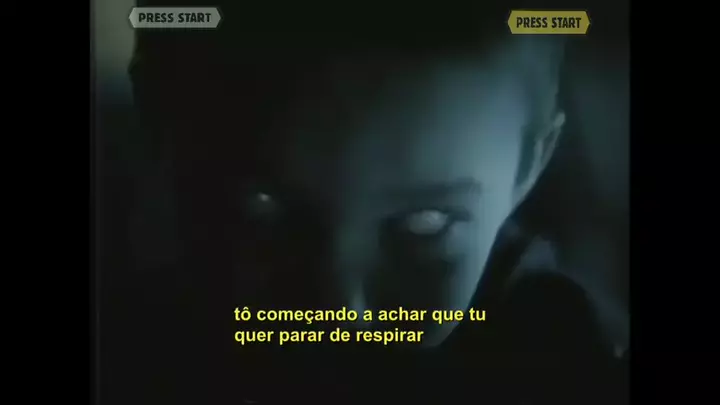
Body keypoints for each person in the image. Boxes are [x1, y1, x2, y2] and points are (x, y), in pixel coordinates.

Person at [121, 3, 628, 404]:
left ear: (528, 169)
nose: (338, 311)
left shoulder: (561, 364)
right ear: (156, 127)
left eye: (426, 224)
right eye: (259, 208)